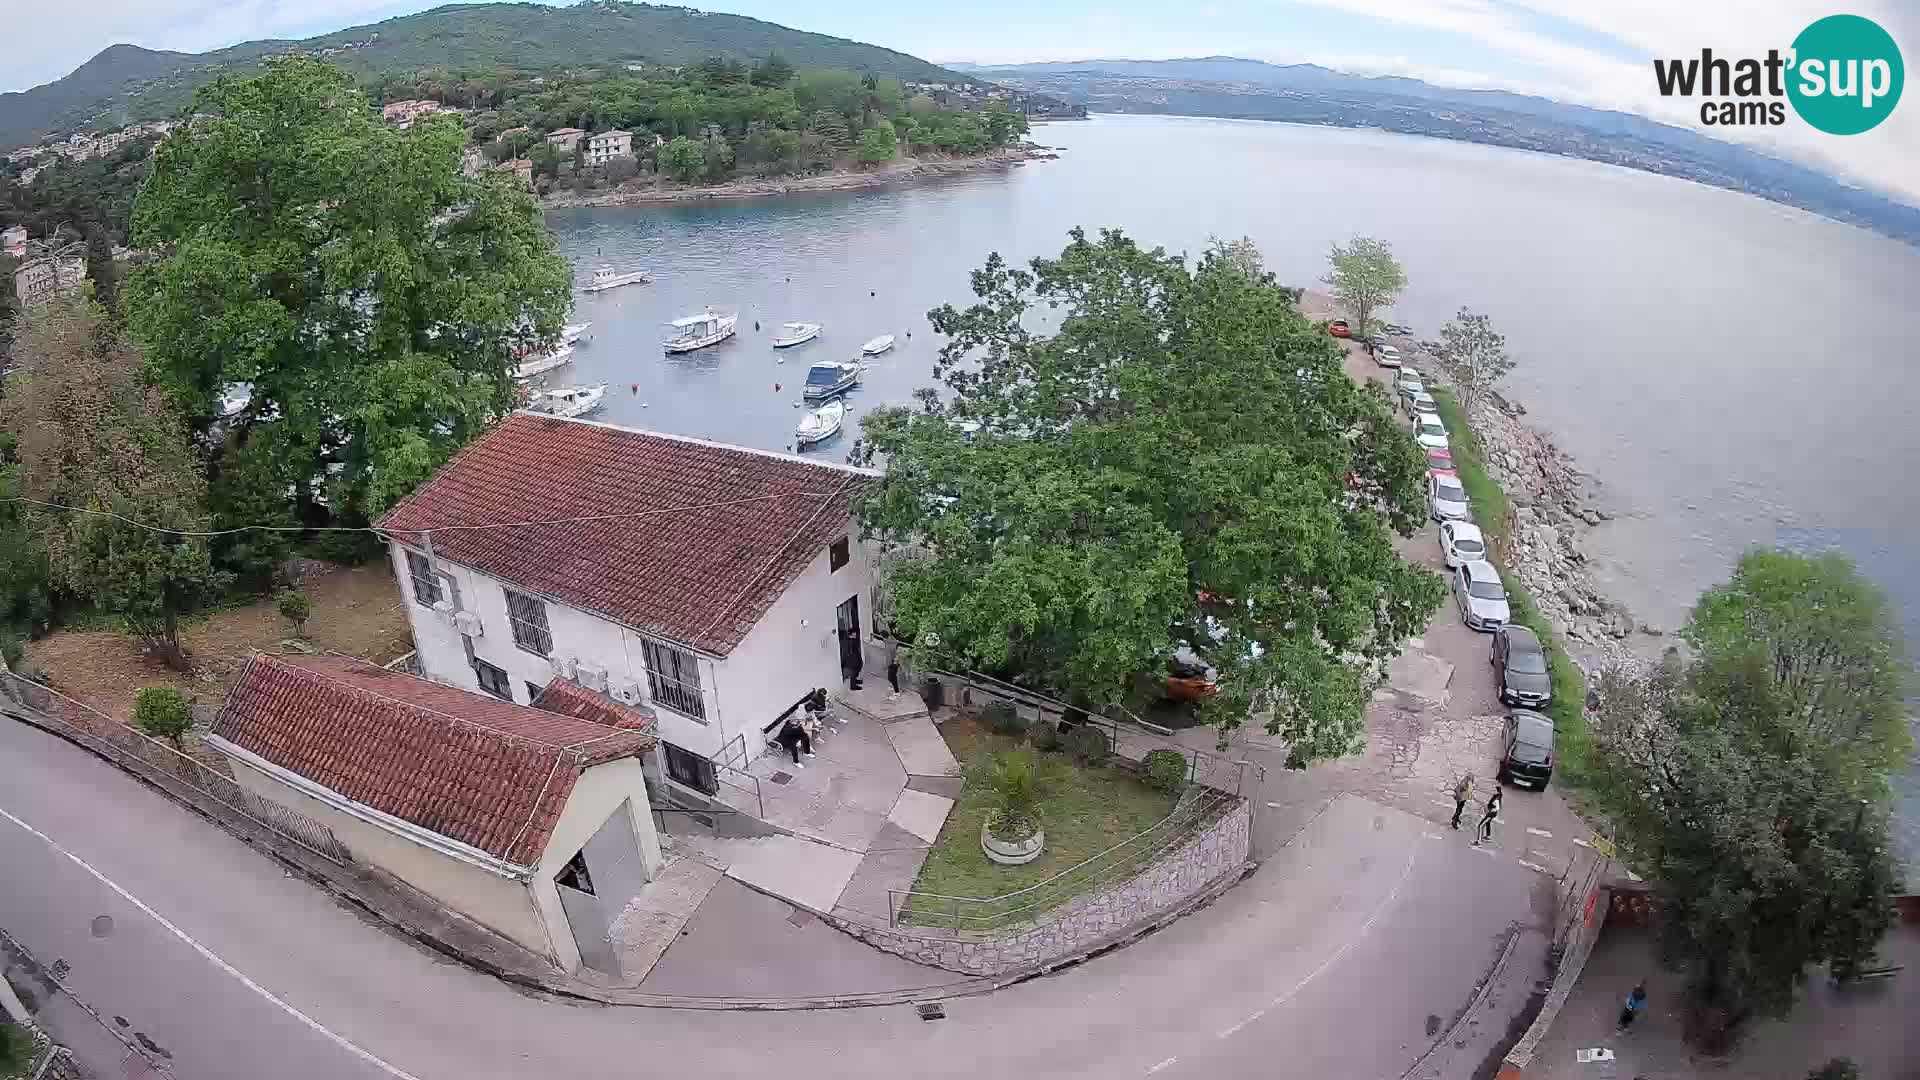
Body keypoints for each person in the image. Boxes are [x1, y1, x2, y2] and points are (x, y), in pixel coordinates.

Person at [843, 626, 864, 690]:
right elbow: (849, 650)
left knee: (859, 665)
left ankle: (855, 680)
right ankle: (853, 685)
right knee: (854, 669)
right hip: (852, 657)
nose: (855, 635)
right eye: (854, 634)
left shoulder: (853, 640)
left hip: (855, 654)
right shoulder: (849, 640)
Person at [884, 631, 902, 700]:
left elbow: (889, 655)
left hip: (893, 662)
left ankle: (896, 692)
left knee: (892, 678)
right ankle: (894, 690)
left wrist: (888, 665)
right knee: (891, 677)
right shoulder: (894, 641)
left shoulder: (888, 643)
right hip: (895, 662)